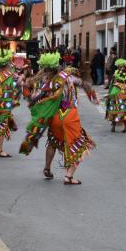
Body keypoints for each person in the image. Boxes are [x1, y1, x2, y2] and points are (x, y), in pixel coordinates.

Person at [19, 51, 99, 185]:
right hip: (70, 115)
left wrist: (24, 84)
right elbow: (85, 84)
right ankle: (68, 176)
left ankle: (47, 168)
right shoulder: (67, 76)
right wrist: (93, 98)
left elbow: (32, 97)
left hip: (55, 116)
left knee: (53, 141)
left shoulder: (45, 82)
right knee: (78, 145)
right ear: (58, 65)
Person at [106, 58, 126, 133]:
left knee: (124, 110)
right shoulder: (116, 73)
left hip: (124, 93)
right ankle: (113, 126)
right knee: (114, 109)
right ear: (118, 67)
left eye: (123, 67)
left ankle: (125, 128)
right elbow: (113, 81)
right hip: (116, 92)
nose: (122, 68)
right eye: (121, 66)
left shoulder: (125, 74)